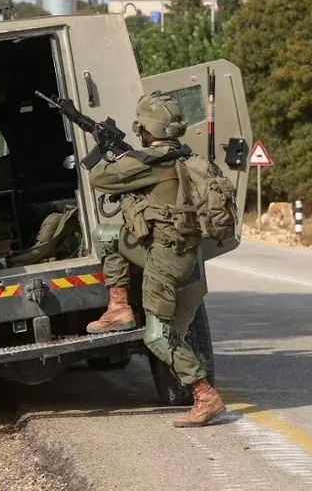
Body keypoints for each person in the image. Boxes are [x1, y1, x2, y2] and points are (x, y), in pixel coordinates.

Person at [85, 91, 226, 427]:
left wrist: (103, 151)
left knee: (157, 336)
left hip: (165, 257)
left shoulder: (149, 162)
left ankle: (204, 394)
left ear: (146, 127)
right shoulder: (180, 154)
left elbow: (98, 178)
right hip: (177, 250)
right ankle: (119, 306)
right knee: (106, 235)